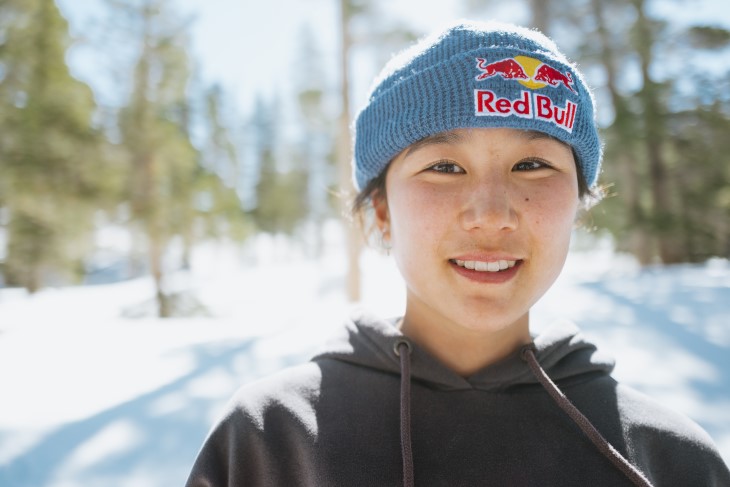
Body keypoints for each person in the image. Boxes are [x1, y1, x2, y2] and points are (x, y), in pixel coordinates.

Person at [185, 20, 730, 486]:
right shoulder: (271, 440)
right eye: (444, 168)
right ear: (380, 209)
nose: (492, 213)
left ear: (577, 204)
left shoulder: (671, 457)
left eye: (533, 165)